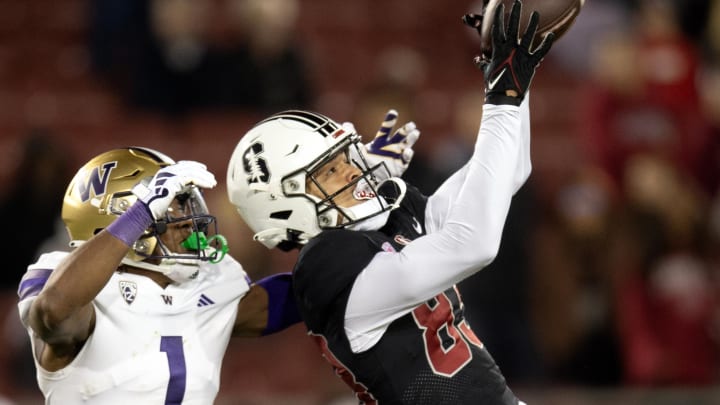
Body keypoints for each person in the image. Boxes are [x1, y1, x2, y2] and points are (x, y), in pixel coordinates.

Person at [226, 1, 554, 403]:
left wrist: (514, 79)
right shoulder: (327, 265)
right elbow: (474, 244)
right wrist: (502, 95)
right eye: (330, 170)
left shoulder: (386, 221)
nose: (352, 171)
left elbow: (507, 175)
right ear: (282, 205)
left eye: (344, 159)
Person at [16, 146, 301, 403]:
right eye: (171, 207)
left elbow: (294, 298)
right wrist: (142, 213)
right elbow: (54, 312)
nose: (190, 221)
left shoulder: (212, 278)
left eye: (188, 205)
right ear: (121, 214)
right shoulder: (62, 276)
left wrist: (333, 255)